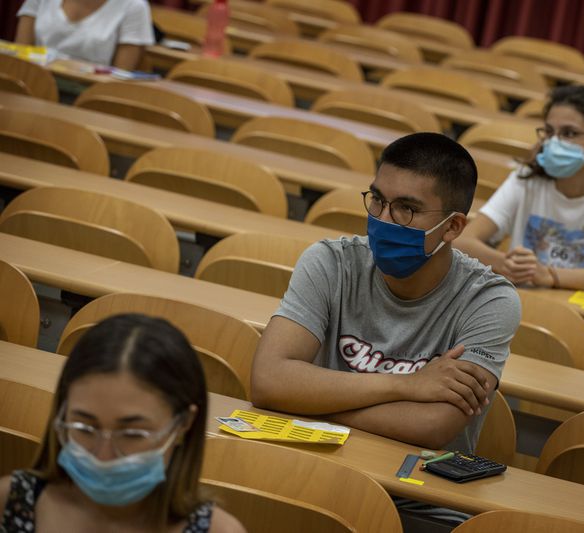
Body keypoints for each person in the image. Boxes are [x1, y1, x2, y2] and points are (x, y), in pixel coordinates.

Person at [250, 132, 521, 453]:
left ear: (453, 227)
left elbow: (434, 426)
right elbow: (268, 381)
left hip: (415, 494)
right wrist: (406, 385)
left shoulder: (489, 300)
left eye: (406, 209)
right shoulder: (331, 262)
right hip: (316, 460)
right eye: (377, 200)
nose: (382, 218)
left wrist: (309, 401)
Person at [0, 314, 244, 533]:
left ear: (184, 424)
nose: (103, 456)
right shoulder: (8, 501)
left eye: (132, 434)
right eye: (84, 428)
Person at [456, 85, 584, 294]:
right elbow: (463, 241)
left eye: (569, 133)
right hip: (520, 306)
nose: (554, 142)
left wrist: (548, 275)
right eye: (550, 132)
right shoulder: (525, 179)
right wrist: (506, 264)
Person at [15, 0, 155, 70]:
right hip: (32, 81)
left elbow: (119, 78)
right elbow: (18, 56)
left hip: (89, 97)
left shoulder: (134, 6)